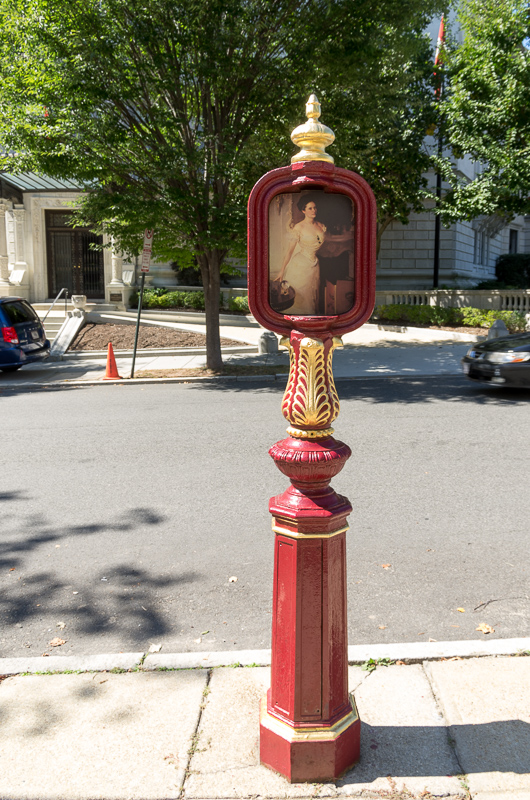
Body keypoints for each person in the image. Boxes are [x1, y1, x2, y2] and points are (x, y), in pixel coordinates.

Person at [275, 194, 326, 315]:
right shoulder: (299, 228)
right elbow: (289, 252)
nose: (314, 210)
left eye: (314, 208)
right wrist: (282, 271)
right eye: (310, 208)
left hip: (315, 265)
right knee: (302, 299)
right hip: (300, 266)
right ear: (303, 210)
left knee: (313, 295)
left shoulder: (321, 225)